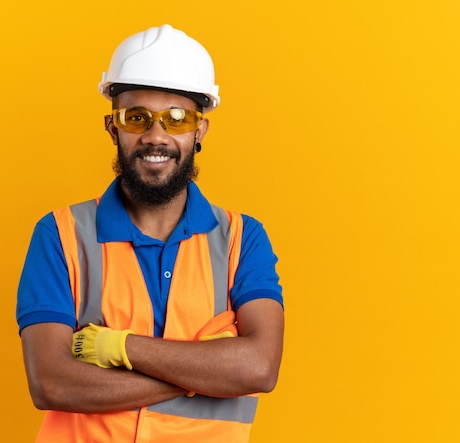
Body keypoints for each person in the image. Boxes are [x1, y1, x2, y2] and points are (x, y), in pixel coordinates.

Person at [16, 24, 284, 443]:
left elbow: (259, 368)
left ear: (200, 131)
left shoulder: (241, 239)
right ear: (112, 127)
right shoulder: (60, 234)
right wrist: (206, 372)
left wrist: (118, 349)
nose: (156, 135)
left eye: (177, 118)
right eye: (136, 117)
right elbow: (52, 383)